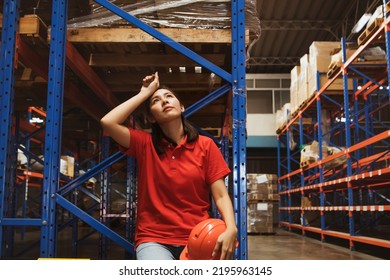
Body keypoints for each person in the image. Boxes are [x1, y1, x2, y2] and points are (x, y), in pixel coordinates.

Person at [100, 72, 237, 260]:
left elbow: (220, 195)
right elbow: (108, 122)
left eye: (169, 97)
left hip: (198, 236)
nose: (164, 101)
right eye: (156, 101)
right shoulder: (145, 145)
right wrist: (144, 93)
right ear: (152, 118)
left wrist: (231, 227)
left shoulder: (206, 145)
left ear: (181, 107)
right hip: (154, 239)